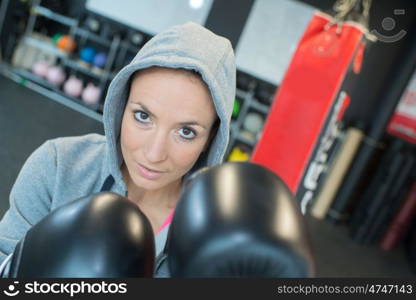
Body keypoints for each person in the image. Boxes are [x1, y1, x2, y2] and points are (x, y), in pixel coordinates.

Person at [0, 22, 236, 277]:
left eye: (186, 132)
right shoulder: (58, 167)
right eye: (143, 116)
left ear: (211, 138)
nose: (154, 154)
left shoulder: (213, 239)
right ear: (121, 105)